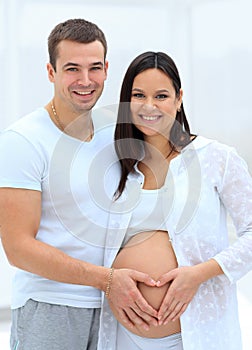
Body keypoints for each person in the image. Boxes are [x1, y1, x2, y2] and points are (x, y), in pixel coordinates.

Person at [0, 20, 159, 350]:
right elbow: (17, 249)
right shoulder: (22, 141)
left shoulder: (113, 133)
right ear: (50, 71)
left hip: (113, 307)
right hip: (50, 308)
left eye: (94, 68)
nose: (85, 81)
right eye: (72, 68)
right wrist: (107, 279)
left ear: (106, 69)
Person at [97, 51, 252, 350]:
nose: (149, 106)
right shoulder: (115, 165)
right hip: (122, 335)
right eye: (139, 95)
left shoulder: (216, 158)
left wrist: (198, 274)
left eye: (161, 96)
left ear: (179, 98)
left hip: (197, 333)